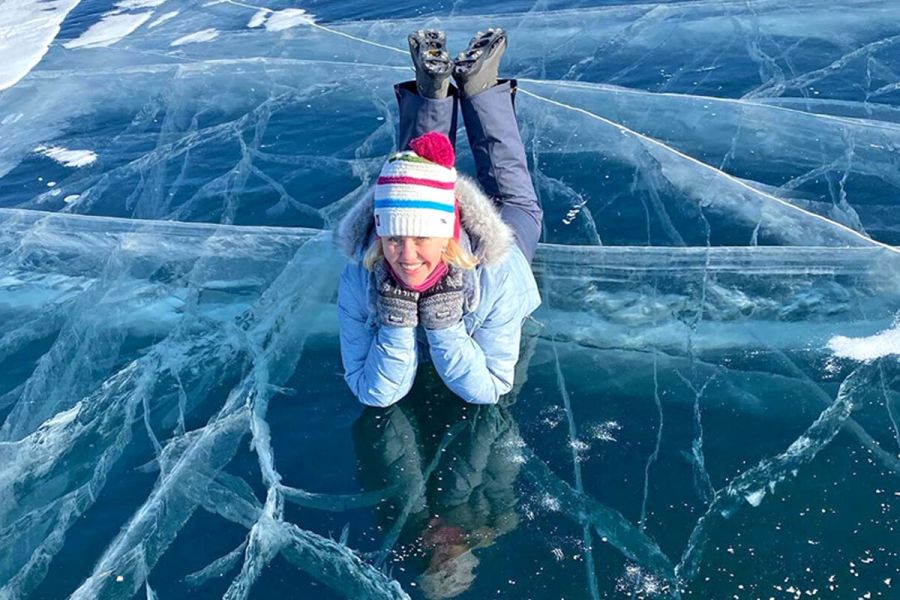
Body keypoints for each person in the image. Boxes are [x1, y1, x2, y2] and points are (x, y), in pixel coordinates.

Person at [336, 28, 542, 407]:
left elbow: (492, 388)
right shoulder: (360, 275)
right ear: (378, 236)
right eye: (394, 238)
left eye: (420, 238)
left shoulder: (496, 275)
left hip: (485, 252)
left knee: (514, 204)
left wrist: (445, 325)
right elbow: (375, 394)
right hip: (436, 223)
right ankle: (462, 87)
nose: (407, 254)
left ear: (448, 235)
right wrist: (397, 325)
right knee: (419, 173)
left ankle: (458, 88)